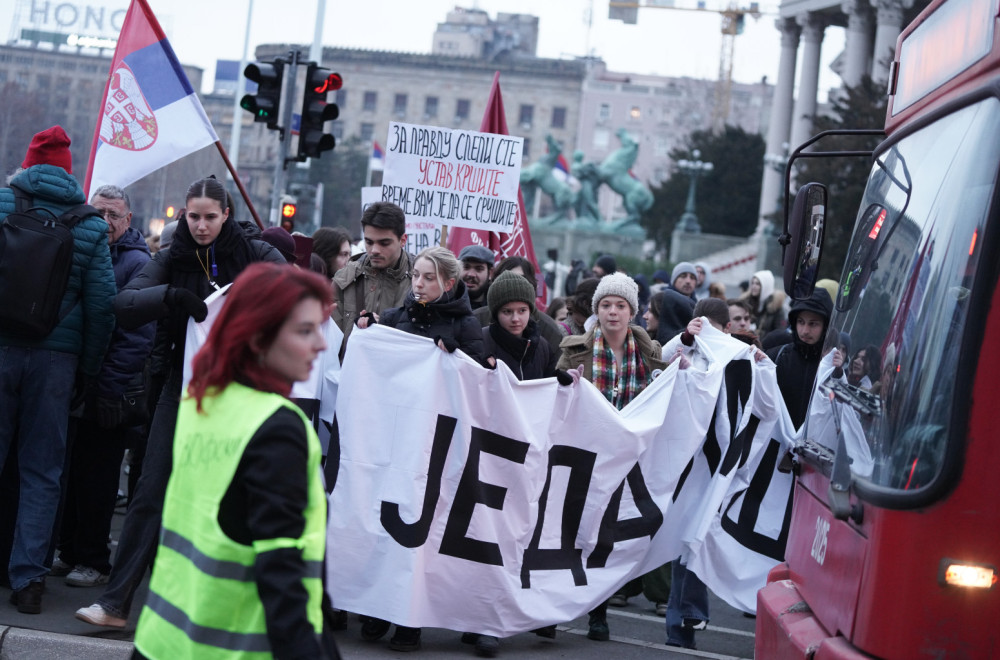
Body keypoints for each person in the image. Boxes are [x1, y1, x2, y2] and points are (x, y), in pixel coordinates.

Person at [76, 176, 285, 629]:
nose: (202, 225)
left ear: (227, 215)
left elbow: (296, 292)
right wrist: (170, 296)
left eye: (210, 217)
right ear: (183, 215)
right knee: (150, 491)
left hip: (241, 393)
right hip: (180, 384)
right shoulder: (173, 256)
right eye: (193, 217)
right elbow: (125, 303)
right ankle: (115, 605)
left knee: (230, 498)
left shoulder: (255, 253)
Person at [132, 262, 339, 659]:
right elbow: (284, 573)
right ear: (258, 337)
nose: (321, 344)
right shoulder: (278, 427)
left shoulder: (202, 401)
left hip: (162, 640)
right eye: (304, 330)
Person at [0, 126, 117, 614]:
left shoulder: (5, 204)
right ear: (69, 171)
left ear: (28, 164)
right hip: (56, 362)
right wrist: (85, 369)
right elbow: (103, 306)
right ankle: (28, 579)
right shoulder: (89, 224)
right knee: (43, 471)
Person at [356, 246, 484, 652]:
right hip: (394, 443)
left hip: (434, 450)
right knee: (385, 528)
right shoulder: (400, 316)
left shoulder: (465, 324)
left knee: (419, 535)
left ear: (448, 283)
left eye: (429, 278)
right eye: (416, 276)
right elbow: (376, 352)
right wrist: (370, 326)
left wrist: (458, 354)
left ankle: (409, 621)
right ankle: (378, 609)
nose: (419, 284)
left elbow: (482, 378)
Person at [464, 271, 580, 657]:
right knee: (490, 540)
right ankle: (483, 623)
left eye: (523, 311)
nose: (516, 319)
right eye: (508, 312)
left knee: (524, 536)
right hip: (490, 455)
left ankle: (516, 612)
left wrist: (560, 381)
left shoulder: (542, 346)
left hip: (529, 457)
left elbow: (545, 387)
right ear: (495, 313)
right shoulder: (480, 343)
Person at [54, 185, 155, 589]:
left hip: (111, 389)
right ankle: (68, 549)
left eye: (114, 214)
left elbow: (137, 335)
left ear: (128, 220)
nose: (106, 221)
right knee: (70, 472)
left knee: (98, 477)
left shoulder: (137, 263)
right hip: (74, 382)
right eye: (99, 212)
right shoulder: (81, 250)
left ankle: (93, 558)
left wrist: (107, 385)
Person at [557, 273, 666, 642]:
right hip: (583, 453)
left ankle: (598, 612)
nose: (613, 312)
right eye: (606, 305)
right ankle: (550, 610)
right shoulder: (574, 348)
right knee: (568, 531)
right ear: (596, 310)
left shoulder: (651, 352)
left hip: (626, 459)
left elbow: (667, 395)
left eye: (620, 306)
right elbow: (554, 401)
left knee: (606, 537)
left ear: (633, 312)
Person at [332, 201, 413, 351]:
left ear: (403, 240)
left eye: (384, 243)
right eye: (369, 242)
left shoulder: (421, 282)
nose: (375, 250)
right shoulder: (344, 279)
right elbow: (329, 345)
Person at [765, 288, 834, 429]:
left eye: (813, 324)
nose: (805, 331)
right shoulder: (777, 357)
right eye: (801, 322)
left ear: (826, 326)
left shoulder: (832, 368)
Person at [472, 256, 566, 357]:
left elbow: (554, 369)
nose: (514, 284)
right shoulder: (476, 320)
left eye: (521, 279)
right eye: (506, 279)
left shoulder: (549, 329)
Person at [740, 270, 787, 336]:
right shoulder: (745, 302)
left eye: (757, 284)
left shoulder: (775, 307)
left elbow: (780, 332)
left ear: (766, 286)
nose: (753, 286)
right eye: (752, 283)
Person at [459, 244, 495, 310]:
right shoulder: (443, 303)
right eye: (466, 267)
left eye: (479, 269)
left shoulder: (497, 309)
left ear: (490, 273)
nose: (471, 274)